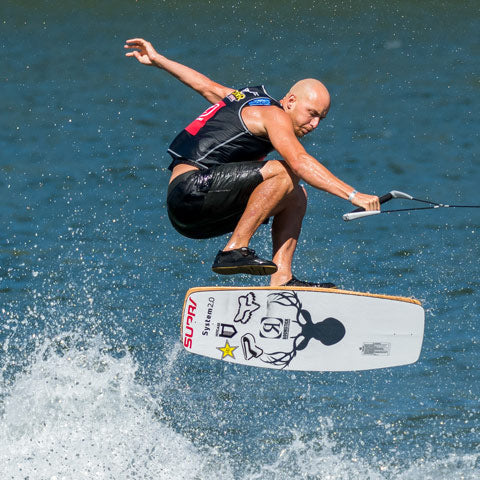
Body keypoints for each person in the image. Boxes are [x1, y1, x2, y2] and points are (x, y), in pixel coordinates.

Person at [124, 38, 380, 287]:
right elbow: (300, 161)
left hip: (191, 212)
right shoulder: (274, 115)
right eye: (311, 114)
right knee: (288, 171)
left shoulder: (248, 100)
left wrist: (159, 60)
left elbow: (207, 87)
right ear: (290, 101)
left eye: (320, 119)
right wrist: (353, 195)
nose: (314, 124)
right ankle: (233, 250)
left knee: (296, 195)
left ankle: (282, 279)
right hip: (189, 193)